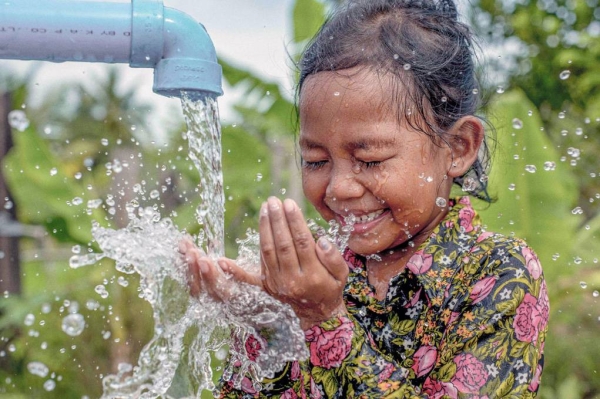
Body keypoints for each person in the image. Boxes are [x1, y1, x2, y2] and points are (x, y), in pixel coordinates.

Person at [180, 0, 549, 397]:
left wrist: (322, 319)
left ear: (458, 147)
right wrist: (266, 323)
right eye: (315, 161)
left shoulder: (496, 274)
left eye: (370, 160)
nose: (340, 188)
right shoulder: (316, 276)